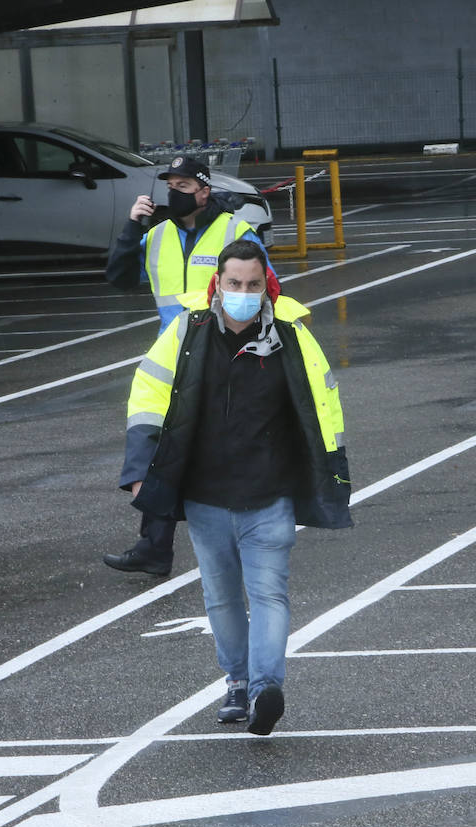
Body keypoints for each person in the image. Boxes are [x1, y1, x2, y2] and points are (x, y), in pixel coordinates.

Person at [120, 239, 351, 735]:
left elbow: (324, 403)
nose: (243, 293)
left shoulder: (291, 334)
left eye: (252, 285)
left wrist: (332, 470)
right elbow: (149, 394)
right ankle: (238, 683)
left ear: (266, 286)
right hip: (206, 496)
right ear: (217, 285)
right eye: (233, 284)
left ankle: (266, 687)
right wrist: (140, 468)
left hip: (270, 496)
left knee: (268, 593)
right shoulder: (187, 331)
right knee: (221, 597)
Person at [103, 155, 273, 577]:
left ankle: (246, 534)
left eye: (182, 186)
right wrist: (131, 228)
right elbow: (119, 278)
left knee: (221, 448)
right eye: (170, 186)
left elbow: (268, 287)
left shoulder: (235, 231)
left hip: (224, 355)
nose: (173, 194)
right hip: (175, 357)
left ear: (204, 190)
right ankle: (154, 547)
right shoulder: (157, 234)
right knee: (166, 447)